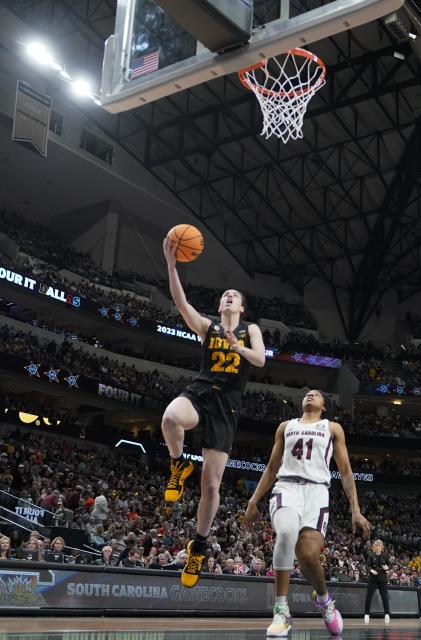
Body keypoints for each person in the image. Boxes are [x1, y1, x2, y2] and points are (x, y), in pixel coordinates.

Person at [158, 235, 266, 588]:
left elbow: (261, 360)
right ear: (220, 307)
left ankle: (199, 547)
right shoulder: (210, 326)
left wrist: (239, 347)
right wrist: (172, 265)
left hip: (227, 404)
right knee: (171, 418)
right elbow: (181, 303)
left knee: (211, 486)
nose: (227, 296)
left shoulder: (251, 330)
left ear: (242, 307)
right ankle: (178, 464)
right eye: (224, 295)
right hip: (202, 391)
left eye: (233, 295)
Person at [243, 389, 372, 637]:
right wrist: (253, 500)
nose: (310, 395)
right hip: (287, 486)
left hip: (317, 492)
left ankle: (324, 601)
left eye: (317, 394)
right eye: (307, 393)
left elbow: (345, 471)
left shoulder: (332, 428)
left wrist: (355, 509)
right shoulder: (285, 426)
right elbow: (272, 467)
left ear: (324, 406)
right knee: (287, 533)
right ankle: (281, 611)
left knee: (307, 555)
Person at [364, 539, 391, 623]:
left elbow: (389, 567)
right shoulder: (371, 555)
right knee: (369, 596)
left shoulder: (385, 556)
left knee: (384, 597)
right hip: (373, 578)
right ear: (374, 547)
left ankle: (387, 614)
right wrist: (371, 570)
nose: (378, 547)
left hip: (382, 578)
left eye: (380, 546)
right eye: (377, 546)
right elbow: (367, 566)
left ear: (381, 547)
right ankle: (366, 614)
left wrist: (387, 568)